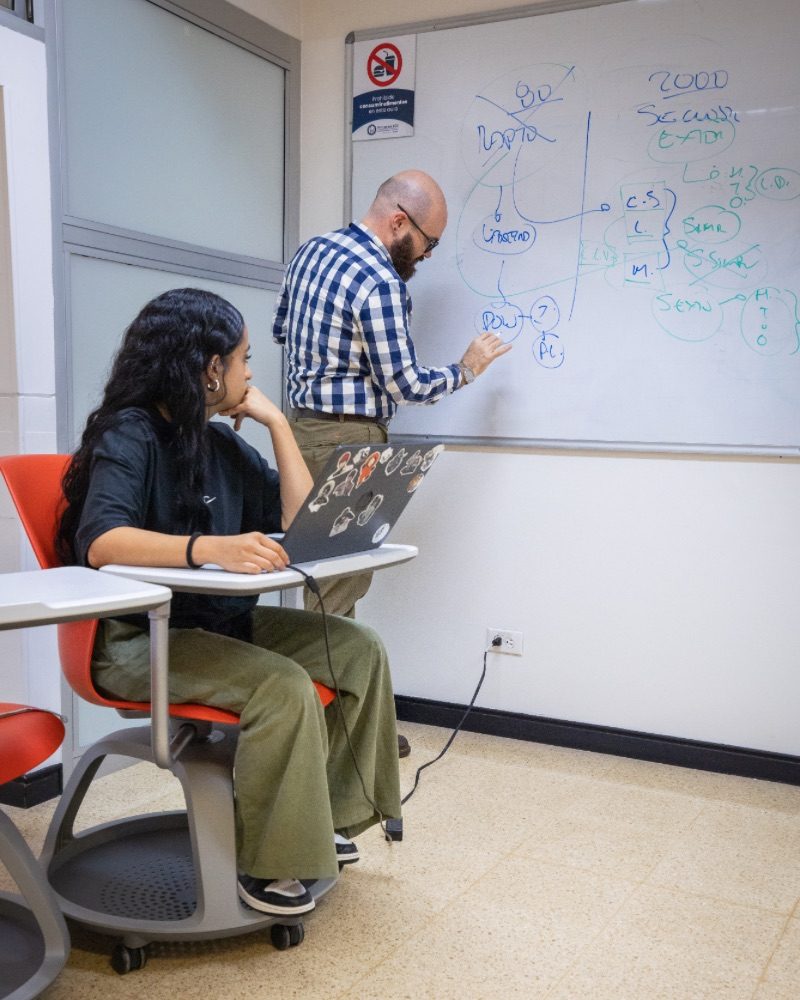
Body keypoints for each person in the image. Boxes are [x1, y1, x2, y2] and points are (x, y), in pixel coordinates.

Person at [56, 288, 401, 917]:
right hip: (136, 641)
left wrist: (275, 424)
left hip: (218, 626)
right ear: (211, 368)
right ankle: (268, 865)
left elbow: (301, 525)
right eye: (243, 359)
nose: (249, 373)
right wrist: (208, 549)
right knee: (281, 685)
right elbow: (102, 541)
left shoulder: (216, 443)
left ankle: (325, 816)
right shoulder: (129, 433)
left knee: (357, 648)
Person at [273, 169, 511, 757]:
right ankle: (339, 738)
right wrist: (466, 368)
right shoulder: (379, 280)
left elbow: (282, 330)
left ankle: (336, 725)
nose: (426, 257)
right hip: (347, 445)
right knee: (336, 593)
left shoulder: (312, 251)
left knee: (322, 586)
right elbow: (404, 382)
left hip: (300, 433)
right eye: (428, 243)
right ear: (399, 221)